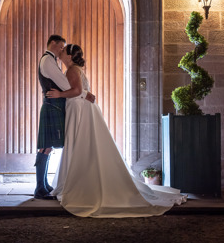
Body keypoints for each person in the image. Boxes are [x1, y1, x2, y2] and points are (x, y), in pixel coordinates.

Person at [46, 44, 187, 217]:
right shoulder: (76, 69)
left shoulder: (72, 71)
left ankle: (75, 183)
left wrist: (59, 95)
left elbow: (76, 91)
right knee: (80, 145)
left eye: (63, 51)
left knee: (77, 144)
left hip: (78, 110)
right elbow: (83, 91)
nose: (60, 53)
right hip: (82, 108)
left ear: (69, 56)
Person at [34, 35, 95, 200]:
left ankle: (44, 185)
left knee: (48, 147)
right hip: (52, 106)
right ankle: (40, 187)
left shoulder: (51, 60)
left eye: (64, 48)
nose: (62, 50)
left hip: (55, 105)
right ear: (53, 43)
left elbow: (66, 85)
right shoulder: (47, 60)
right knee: (45, 147)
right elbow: (66, 85)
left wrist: (77, 92)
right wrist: (84, 93)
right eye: (61, 46)